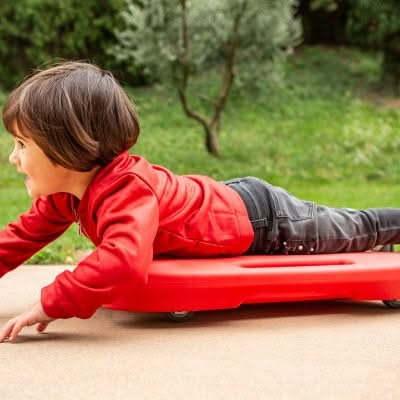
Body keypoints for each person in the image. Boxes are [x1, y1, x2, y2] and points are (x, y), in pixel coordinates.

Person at [0, 62, 399, 343]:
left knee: (354, 229)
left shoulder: (127, 189)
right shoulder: (67, 196)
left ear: (67, 148)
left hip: (264, 221)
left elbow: (124, 261)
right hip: (230, 202)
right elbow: (17, 239)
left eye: (22, 144)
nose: (13, 157)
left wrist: (51, 303)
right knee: (349, 230)